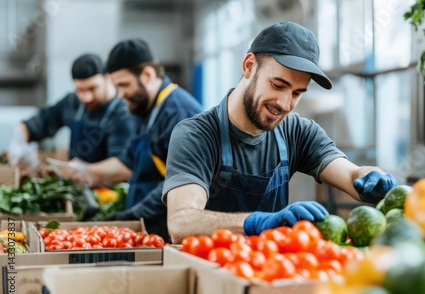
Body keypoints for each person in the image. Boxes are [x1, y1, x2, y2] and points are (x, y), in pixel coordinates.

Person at [162, 22, 398, 244]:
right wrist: (255, 222)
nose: (285, 104)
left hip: (273, 270)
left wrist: (371, 176)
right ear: (249, 66)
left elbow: (351, 175)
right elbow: (180, 222)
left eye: (297, 93)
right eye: (278, 85)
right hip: (212, 275)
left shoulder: (298, 132)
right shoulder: (196, 135)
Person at [67, 39, 203, 241]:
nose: (120, 95)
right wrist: (87, 171)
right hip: (144, 229)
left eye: (124, 85)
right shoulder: (145, 109)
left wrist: (130, 215)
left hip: (164, 235)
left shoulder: (179, 114)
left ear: (147, 75)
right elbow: (128, 163)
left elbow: (177, 184)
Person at [8, 54, 138, 171]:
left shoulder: (123, 113)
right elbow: (38, 122)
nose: (86, 97)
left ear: (108, 78)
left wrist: (87, 172)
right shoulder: (72, 103)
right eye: (80, 90)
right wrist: (18, 141)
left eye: (92, 89)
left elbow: (122, 167)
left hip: (109, 193)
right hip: (77, 189)